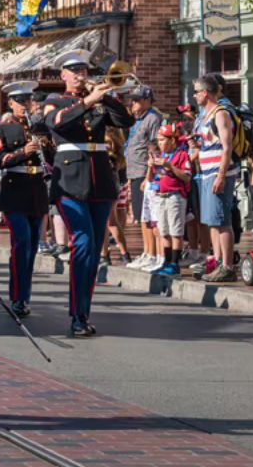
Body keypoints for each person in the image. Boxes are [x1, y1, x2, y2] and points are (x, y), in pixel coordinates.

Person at [46, 50, 134, 337]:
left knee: (94, 250)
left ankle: (83, 313)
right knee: (82, 243)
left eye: (83, 69)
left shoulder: (99, 102)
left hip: (100, 181)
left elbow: (125, 121)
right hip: (70, 181)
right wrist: (87, 101)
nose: (80, 74)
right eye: (73, 70)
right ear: (63, 75)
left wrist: (106, 95)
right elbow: (57, 124)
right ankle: (75, 313)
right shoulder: (54, 101)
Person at [0, 81, 51, 318]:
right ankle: (16, 297)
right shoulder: (2, 129)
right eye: (20, 101)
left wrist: (46, 145)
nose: (25, 105)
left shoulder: (39, 127)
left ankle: (25, 297)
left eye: (28, 100)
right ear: (11, 103)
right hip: (14, 190)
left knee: (32, 247)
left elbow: (53, 156)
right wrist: (21, 153)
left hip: (36, 189)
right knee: (21, 244)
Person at [192, 75, 240, 281]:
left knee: (222, 220)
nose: (194, 96)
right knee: (211, 220)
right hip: (206, 172)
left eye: (196, 92)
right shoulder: (204, 115)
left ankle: (227, 267)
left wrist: (221, 176)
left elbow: (227, 147)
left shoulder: (220, 114)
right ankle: (217, 262)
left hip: (219, 172)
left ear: (205, 92)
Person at [148, 123, 192, 275]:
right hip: (160, 196)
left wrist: (170, 167)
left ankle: (174, 263)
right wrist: (150, 166)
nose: (160, 143)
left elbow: (186, 177)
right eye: (158, 140)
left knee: (175, 232)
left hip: (175, 196)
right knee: (164, 232)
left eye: (163, 140)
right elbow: (151, 179)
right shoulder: (161, 156)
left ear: (172, 140)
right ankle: (166, 261)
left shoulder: (182, 155)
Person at [125, 86, 162, 262]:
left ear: (148, 100)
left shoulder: (153, 118)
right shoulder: (137, 119)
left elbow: (155, 148)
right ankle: (147, 252)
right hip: (134, 171)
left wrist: (149, 175)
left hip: (144, 171)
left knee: (147, 217)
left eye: (138, 100)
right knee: (141, 216)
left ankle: (153, 253)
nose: (134, 103)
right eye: (133, 99)